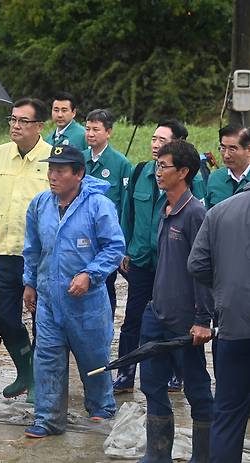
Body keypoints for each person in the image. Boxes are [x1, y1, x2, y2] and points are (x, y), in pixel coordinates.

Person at [22, 145, 125, 438]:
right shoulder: (40, 204)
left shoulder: (98, 205)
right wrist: (30, 283)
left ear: (78, 174)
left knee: (93, 360)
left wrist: (89, 275)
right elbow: (33, 249)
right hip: (49, 301)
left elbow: (115, 247)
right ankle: (48, 418)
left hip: (87, 303)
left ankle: (101, 410)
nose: (52, 176)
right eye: (50, 169)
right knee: (48, 359)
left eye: (61, 171)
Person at [114, 119, 205, 395]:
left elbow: (198, 240)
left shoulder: (193, 191)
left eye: (162, 140)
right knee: (134, 318)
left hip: (174, 265)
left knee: (176, 324)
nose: (155, 145)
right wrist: (126, 247)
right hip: (142, 259)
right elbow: (127, 213)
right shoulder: (142, 171)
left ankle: (177, 374)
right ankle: (126, 373)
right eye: (153, 139)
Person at [138, 140, 213, 462]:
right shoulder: (164, 207)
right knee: (152, 386)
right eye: (157, 165)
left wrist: (202, 319)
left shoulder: (196, 213)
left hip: (186, 322)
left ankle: (204, 457)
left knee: (197, 391)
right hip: (157, 313)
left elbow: (205, 271)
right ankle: (157, 456)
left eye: (164, 166)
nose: (158, 172)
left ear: (183, 172)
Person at [0, 97, 52, 404]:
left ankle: (42, 381)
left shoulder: (52, 159)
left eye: (23, 121)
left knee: (42, 321)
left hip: (41, 257)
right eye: (13, 120)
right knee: (5, 318)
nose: (16, 126)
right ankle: (26, 370)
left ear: (39, 127)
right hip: (5, 254)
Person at [188, 182, 250, 463]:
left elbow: (197, 264)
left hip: (233, 327)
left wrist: (225, 288)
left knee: (228, 415)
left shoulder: (219, 211)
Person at [83, 109, 132, 316]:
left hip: (105, 239)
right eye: (87, 129)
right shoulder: (80, 159)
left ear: (108, 132)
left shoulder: (120, 163)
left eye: (96, 129)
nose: (90, 134)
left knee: (105, 286)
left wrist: (122, 245)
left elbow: (125, 205)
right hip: (83, 236)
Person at [205, 125, 250, 209]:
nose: (226, 155)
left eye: (232, 149)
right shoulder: (215, 178)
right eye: (223, 148)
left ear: (248, 150)